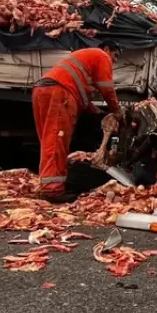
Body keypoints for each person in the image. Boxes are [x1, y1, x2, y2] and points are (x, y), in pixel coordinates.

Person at [32, 41, 124, 202]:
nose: (114, 61)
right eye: (115, 55)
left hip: (42, 90)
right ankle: (52, 191)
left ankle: (47, 185)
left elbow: (84, 99)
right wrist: (116, 111)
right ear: (107, 49)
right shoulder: (102, 55)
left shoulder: (86, 60)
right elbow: (107, 88)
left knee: (48, 140)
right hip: (60, 93)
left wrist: (99, 113)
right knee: (56, 141)